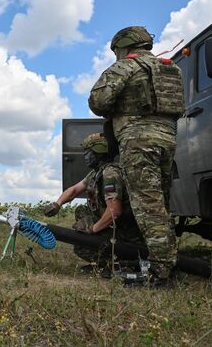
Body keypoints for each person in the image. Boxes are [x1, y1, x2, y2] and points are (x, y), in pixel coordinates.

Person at [87, 26, 184, 285]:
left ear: (124, 46)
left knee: (148, 208)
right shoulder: (171, 68)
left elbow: (98, 102)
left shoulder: (125, 68)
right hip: (167, 139)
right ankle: (166, 264)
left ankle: (161, 274)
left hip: (137, 140)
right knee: (160, 205)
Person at [44, 133, 144, 270]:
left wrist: (92, 229)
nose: (85, 156)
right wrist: (57, 204)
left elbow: (114, 211)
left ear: (99, 152)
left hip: (125, 230)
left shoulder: (110, 174)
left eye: (88, 152)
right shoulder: (96, 173)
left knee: (81, 247)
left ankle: (117, 263)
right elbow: (74, 190)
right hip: (115, 226)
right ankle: (108, 261)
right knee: (81, 211)